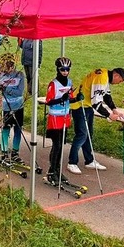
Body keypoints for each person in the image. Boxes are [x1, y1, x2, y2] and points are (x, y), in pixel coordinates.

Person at [67, 67, 124, 174]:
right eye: (120, 81)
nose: (119, 83)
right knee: (81, 135)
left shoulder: (105, 75)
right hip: (79, 105)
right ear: (116, 75)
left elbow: (106, 95)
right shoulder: (101, 79)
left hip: (87, 105)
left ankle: (89, 160)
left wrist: (114, 109)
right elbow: (96, 103)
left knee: (89, 134)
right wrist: (109, 115)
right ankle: (72, 162)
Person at [44, 57, 83, 185]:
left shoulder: (69, 82)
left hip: (65, 117)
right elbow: (49, 102)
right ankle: (51, 172)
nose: (65, 72)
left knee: (61, 146)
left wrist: (77, 98)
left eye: (67, 69)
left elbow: (69, 99)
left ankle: (56, 170)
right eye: (62, 69)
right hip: (55, 118)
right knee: (57, 146)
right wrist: (62, 98)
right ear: (58, 69)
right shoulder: (53, 84)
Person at [0, 53, 25, 164]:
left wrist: (6, 89)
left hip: (18, 106)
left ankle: (15, 152)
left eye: (11, 65)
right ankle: (3, 152)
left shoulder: (19, 75)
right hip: (6, 107)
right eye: (6, 66)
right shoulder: (0, 76)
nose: (9, 68)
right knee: (6, 128)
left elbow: (20, 92)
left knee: (18, 129)